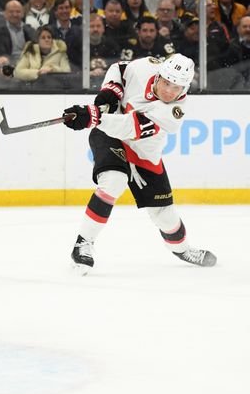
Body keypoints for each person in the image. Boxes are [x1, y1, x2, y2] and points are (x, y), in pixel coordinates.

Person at [63, 53, 217, 274]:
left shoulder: (174, 113)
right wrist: (110, 92)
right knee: (114, 181)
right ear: (158, 76)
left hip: (142, 151)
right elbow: (120, 68)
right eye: (166, 83)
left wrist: (92, 116)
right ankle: (83, 244)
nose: (169, 91)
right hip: (109, 135)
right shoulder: (144, 67)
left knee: (164, 215)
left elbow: (129, 127)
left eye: (177, 88)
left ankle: (183, 249)